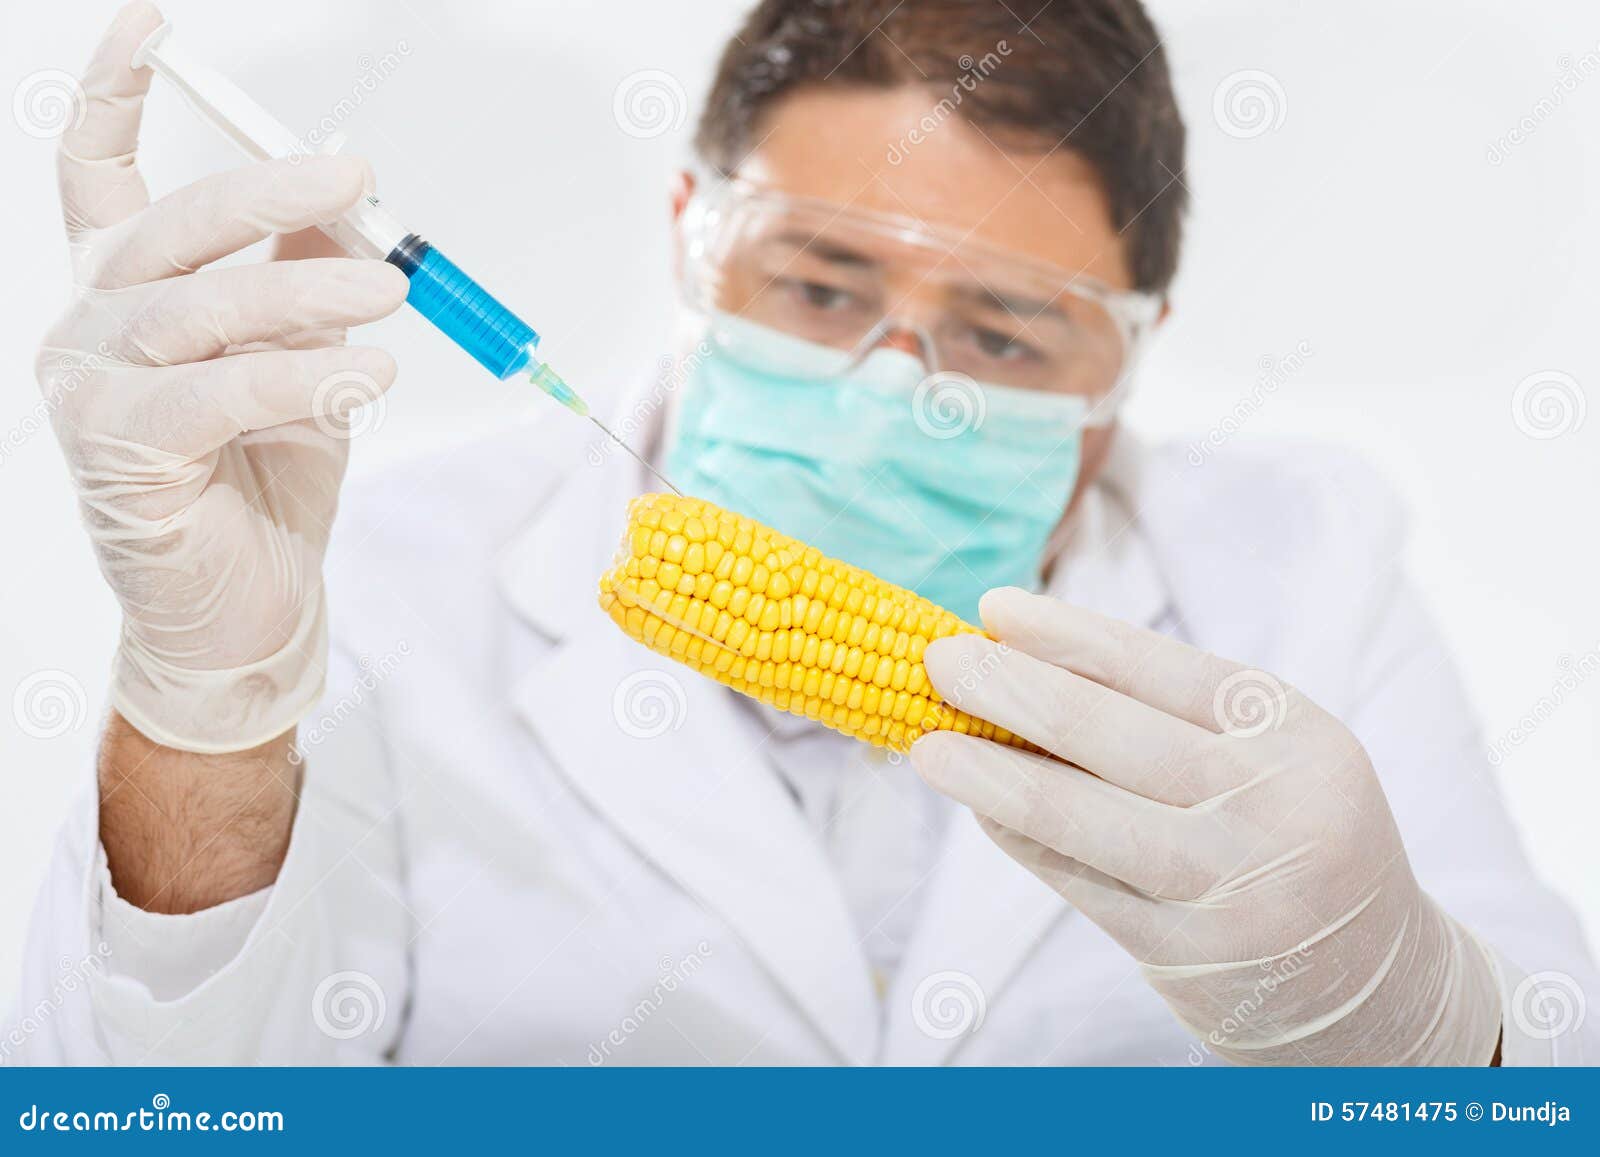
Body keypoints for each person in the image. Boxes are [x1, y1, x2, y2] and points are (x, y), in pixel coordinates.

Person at [15, 0, 1596, 1066]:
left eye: (1003, 330)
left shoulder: (1308, 574)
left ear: (1129, 363)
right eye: (823, 286)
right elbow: (174, 1103)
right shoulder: (386, 568)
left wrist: (1426, 1022)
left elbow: (1553, 1075)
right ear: (692, 240)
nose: (894, 387)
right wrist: (205, 708)